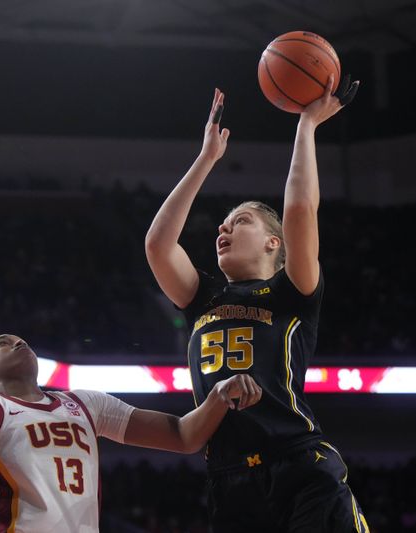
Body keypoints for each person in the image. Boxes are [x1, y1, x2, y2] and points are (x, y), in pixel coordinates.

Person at [144, 77, 366, 532]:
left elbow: (301, 210)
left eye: (238, 222)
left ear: (273, 241)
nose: (222, 230)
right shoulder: (202, 295)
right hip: (229, 479)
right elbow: (157, 244)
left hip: (299, 463)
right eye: (221, 226)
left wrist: (307, 125)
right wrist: (206, 159)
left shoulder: (293, 290)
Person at [0, 333, 261, 533]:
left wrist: (217, 396)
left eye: (20, 339)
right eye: (4, 343)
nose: (17, 341)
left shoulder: (85, 404)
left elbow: (183, 436)